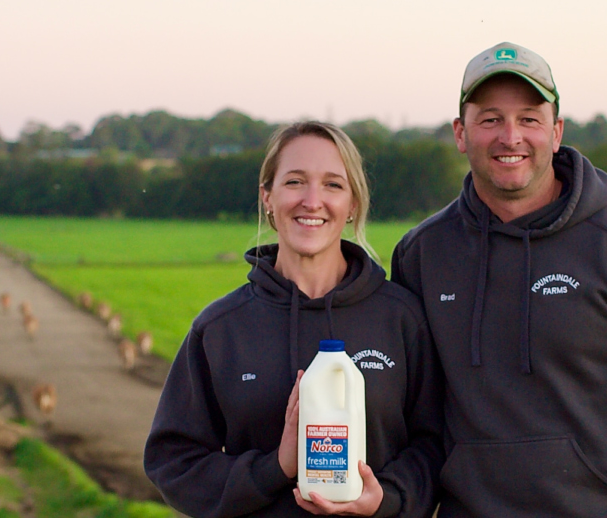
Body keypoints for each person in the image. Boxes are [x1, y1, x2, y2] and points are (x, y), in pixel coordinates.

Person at [390, 42, 607, 517]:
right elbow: (414, 420)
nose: (511, 137)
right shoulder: (422, 254)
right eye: (490, 119)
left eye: (529, 118)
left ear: (556, 131)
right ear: (461, 134)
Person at [145, 121, 443, 518]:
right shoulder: (220, 329)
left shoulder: (402, 318)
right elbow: (173, 463)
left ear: (353, 203)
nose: (312, 200)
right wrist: (277, 467)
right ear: (267, 197)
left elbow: (436, 444)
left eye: (333, 185)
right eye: (295, 182)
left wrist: (385, 499)